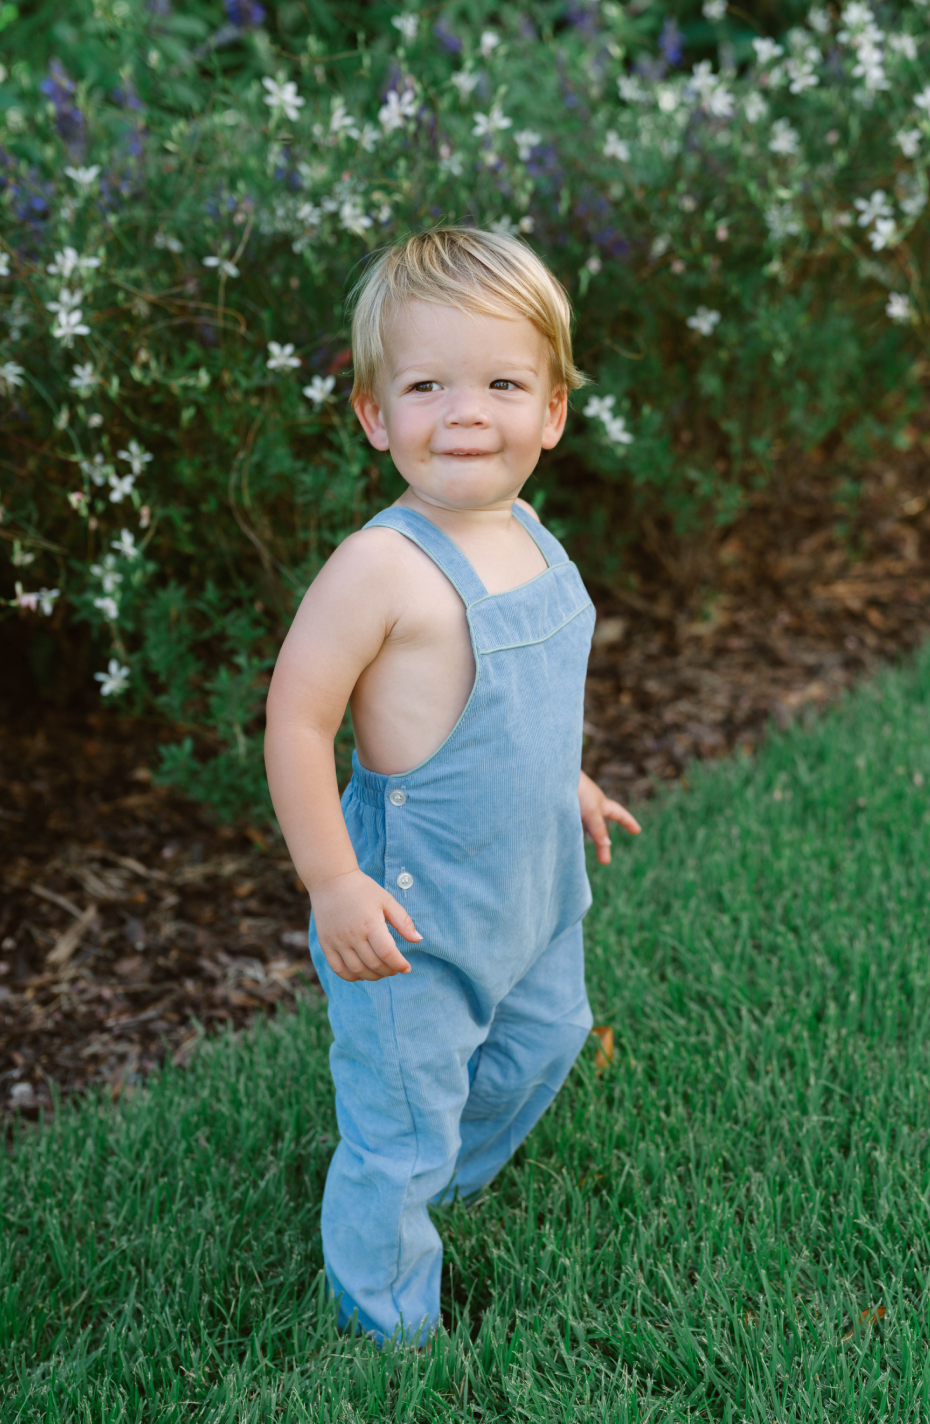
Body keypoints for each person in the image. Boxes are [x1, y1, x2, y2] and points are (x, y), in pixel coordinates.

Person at [264, 226, 640, 1346]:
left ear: (553, 412)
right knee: (401, 1120)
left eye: (502, 383)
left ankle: (440, 1176)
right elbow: (298, 719)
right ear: (377, 415)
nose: (466, 412)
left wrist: (566, 777)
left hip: (530, 884)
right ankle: (388, 1330)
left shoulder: (526, 529)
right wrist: (334, 882)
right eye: (428, 385)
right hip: (411, 913)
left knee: (547, 1037)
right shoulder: (380, 565)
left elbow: (511, 701)